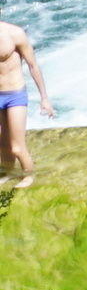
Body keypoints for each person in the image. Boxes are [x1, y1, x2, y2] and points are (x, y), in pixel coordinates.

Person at [0, 19, 43, 185]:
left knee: (16, 147)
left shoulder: (14, 33)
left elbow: (33, 65)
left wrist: (44, 98)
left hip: (15, 95)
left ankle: (28, 176)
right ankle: (8, 173)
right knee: (2, 144)